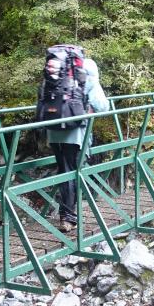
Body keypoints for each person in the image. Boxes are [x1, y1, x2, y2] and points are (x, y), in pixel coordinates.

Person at [46, 57, 109, 229]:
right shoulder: (88, 79)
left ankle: (67, 215)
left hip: (53, 131)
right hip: (76, 134)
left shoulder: (55, 77)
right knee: (73, 171)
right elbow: (103, 106)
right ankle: (67, 217)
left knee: (64, 170)